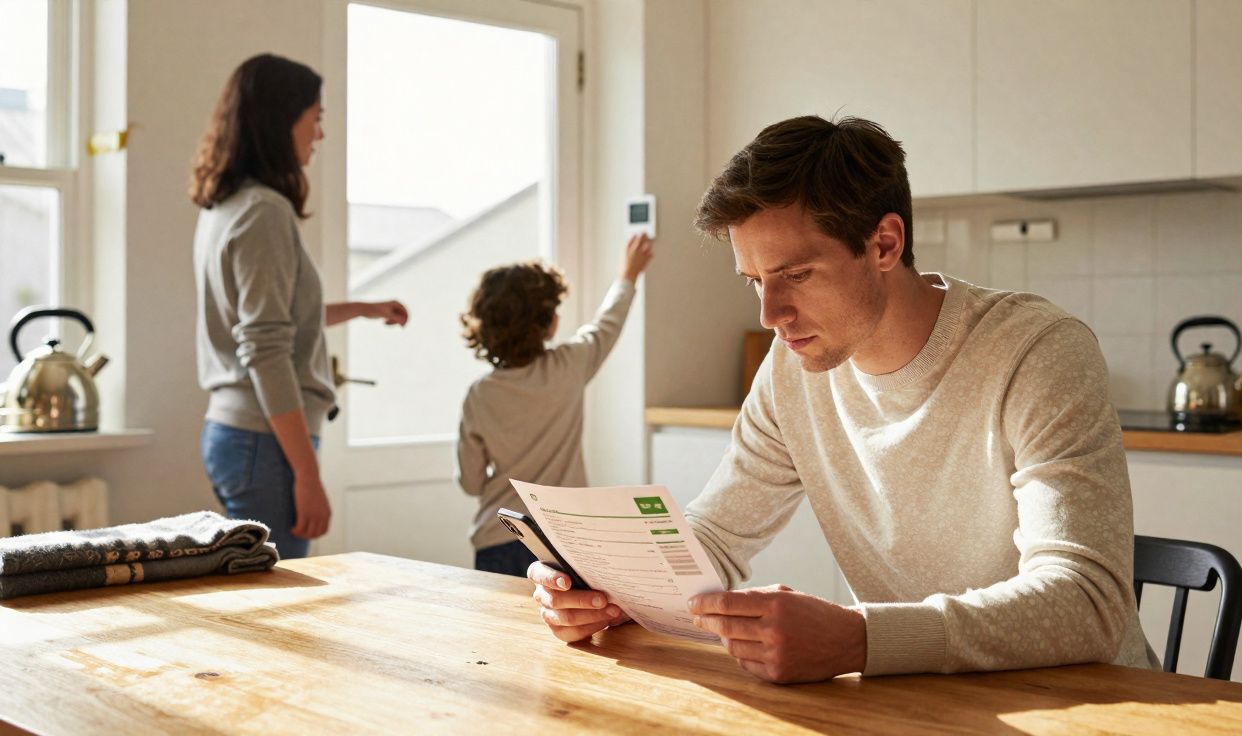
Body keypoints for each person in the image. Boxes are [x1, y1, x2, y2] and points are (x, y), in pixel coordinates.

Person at [527, 115, 1158, 683]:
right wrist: (601, 588)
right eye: (755, 282)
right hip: (922, 706)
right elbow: (713, 539)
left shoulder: (1037, 352)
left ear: (884, 244)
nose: (772, 314)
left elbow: (1088, 603)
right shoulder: (792, 370)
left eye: (796, 275)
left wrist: (861, 639)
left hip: (1088, 707)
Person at [190, 53, 408, 559]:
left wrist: (361, 309)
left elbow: (273, 320)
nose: (320, 134)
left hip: (239, 434)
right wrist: (307, 474)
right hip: (264, 443)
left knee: (262, 607)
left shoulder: (225, 206)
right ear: (281, 120)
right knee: (279, 614)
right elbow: (266, 349)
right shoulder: (264, 212)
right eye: (317, 117)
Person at [456, 234, 654, 576]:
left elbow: (471, 483)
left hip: (499, 536)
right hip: (565, 540)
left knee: (501, 631)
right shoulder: (569, 366)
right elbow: (607, 323)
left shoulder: (479, 395)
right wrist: (628, 275)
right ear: (548, 326)